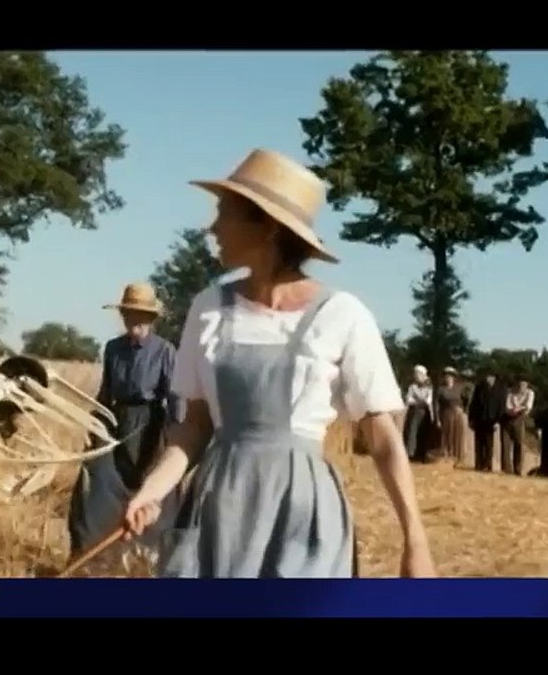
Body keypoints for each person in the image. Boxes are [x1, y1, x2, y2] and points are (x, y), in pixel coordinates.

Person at [121, 148, 435, 578]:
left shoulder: (343, 313)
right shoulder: (208, 307)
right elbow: (193, 428)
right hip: (219, 508)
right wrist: (151, 492)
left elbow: (382, 438)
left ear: (266, 227)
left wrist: (414, 540)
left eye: (224, 213)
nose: (212, 227)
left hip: (302, 513)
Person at [67, 281, 182, 561]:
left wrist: (175, 436)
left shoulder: (165, 351)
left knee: (150, 488)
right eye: (129, 315)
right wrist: (94, 424)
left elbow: (175, 397)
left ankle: (147, 556)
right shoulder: (113, 349)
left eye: (141, 317)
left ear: (151, 320)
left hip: (151, 425)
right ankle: (90, 552)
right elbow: (105, 392)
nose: (134, 322)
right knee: (94, 479)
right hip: (116, 421)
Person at [467, 373, 504, 472]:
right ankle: (479, 464)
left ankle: (488, 465)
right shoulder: (479, 387)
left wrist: (498, 421)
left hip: (491, 420)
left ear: (494, 378)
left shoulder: (499, 389)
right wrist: (471, 419)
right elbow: (473, 404)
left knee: (488, 444)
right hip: (479, 419)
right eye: (487, 377)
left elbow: (501, 406)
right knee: (478, 443)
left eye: (491, 377)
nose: (489, 379)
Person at [402, 365, 435, 462]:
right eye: (415, 374)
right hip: (414, 412)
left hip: (425, 413)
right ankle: (411, 453)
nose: (416, 376)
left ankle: (422, 454)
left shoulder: (429, 387)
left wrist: (418, 400)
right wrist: (419, 401)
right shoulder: (412, 387)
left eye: (418, 374)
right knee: (412, 432)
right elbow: (408, 400)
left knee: (424, 432)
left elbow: (428, 401)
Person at [435, 367, 467, 464]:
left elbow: (467, 400)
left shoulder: (460, 388)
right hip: (446, 414)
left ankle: (459, 456)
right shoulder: (440, 389)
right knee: (447, 435)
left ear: (453, 377)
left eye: (450, 376)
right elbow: (436, 404)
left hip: (458, 413)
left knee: (458, 435)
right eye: (446, 376)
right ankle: (447, 455)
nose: (448, 378)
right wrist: (437, 419)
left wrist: (464, 411)